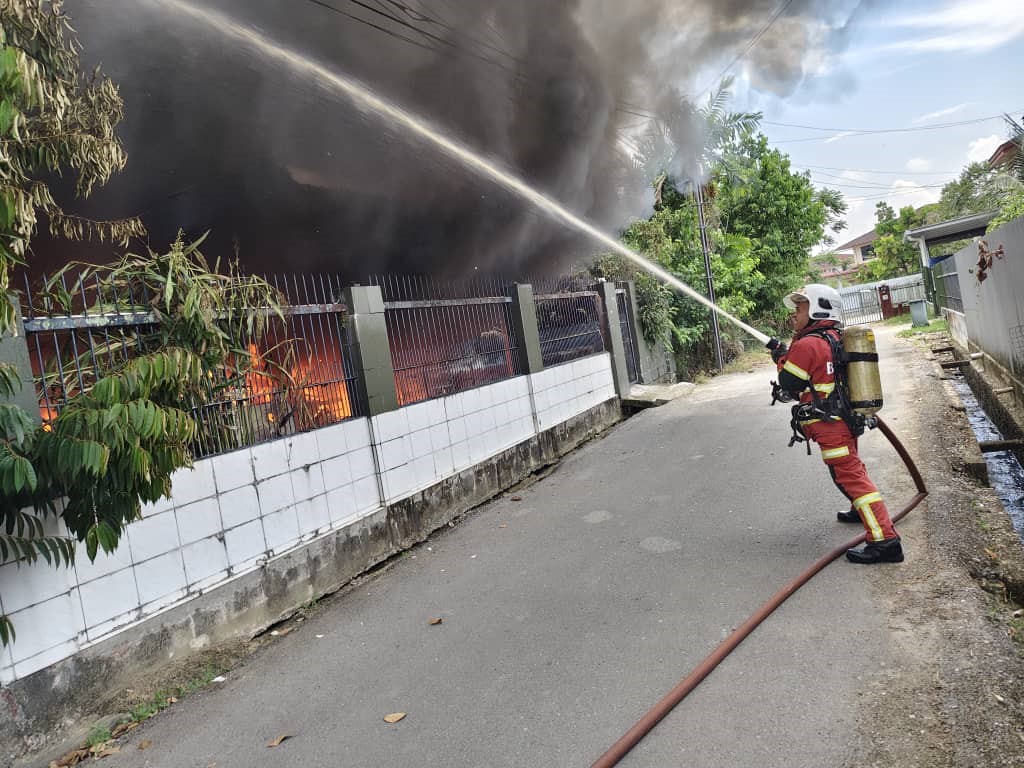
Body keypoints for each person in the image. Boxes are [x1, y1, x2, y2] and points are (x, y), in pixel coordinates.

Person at [769, 284, 903, 564]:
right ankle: (860, 510)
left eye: (800, 307)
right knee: (849, 470)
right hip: (843, 420)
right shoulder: (833, 337)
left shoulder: (808, 344)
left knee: (851, 476)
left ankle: (885, 541)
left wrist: (781, 357)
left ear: (819, 307)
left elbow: (789, 384)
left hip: (831, 425)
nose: (795, 313)